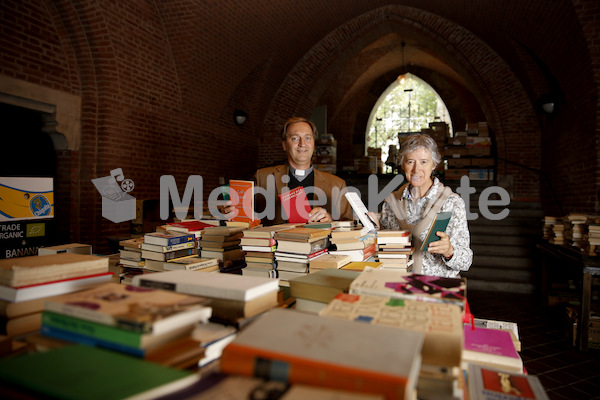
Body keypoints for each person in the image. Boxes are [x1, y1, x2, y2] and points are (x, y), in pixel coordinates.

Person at [369, 133, 473, 277]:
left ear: (434, 164)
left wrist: (449, 251)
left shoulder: (452, 203)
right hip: (398, 284)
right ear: (403, 164)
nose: (416, 169)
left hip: (435, 289)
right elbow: (385, 249)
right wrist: (375, 230)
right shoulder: (391, 202)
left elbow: (466, 261)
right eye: (410, 162)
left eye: (424, 162)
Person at [223, 117, 353, 225]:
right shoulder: (263, 177)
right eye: (295, 138)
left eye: (308, 138)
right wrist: (230, 211)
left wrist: (330, 220)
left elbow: (349, 226)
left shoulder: (337, 184)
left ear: (314, 143)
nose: (302, 144)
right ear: (284, 145)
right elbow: (244, 217)